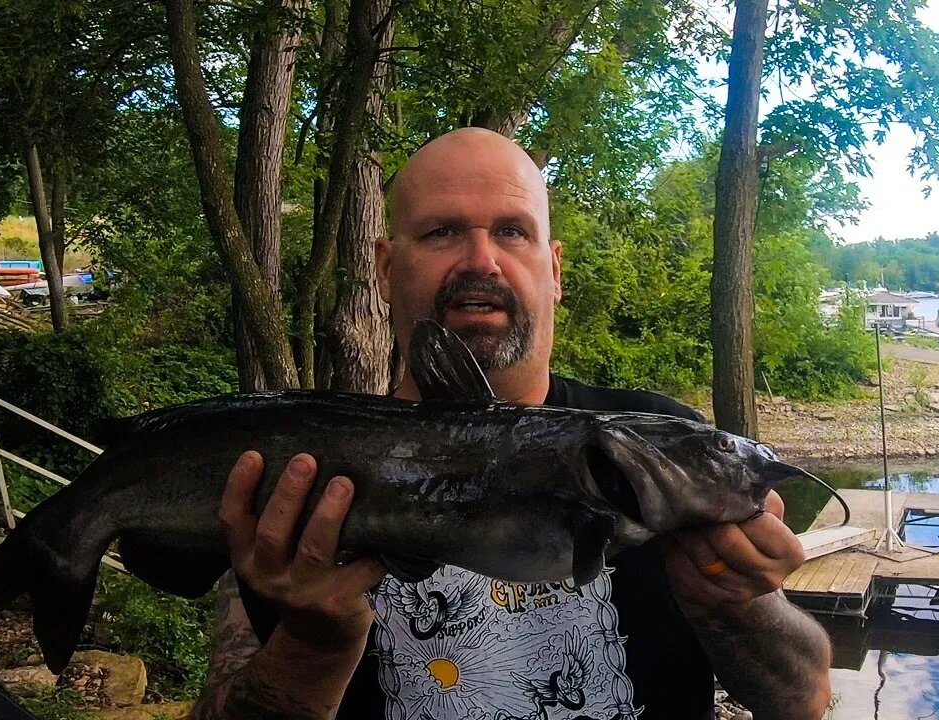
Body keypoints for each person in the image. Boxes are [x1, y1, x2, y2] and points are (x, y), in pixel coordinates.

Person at [189, 127, 833, 720]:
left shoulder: (664, 446)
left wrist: (735, 611)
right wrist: (311, 649)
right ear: (386, 269)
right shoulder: (302, 470)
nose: (481, 260)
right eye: (442, 231)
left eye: (512, 232)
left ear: (553, 270)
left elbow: (804, 700)